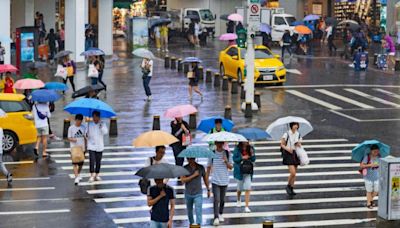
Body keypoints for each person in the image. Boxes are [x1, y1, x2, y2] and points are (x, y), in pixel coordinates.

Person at [206, 141, 233, 226]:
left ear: (223, 143)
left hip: (224, 180)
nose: (219, 144)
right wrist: (206, 181)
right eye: (217, 143)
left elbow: (231, 167)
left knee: (222, 200)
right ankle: (216, 217)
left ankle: (220, 213)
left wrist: (226, 161)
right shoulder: (212, 153)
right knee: (216, 199)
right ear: (215, 143)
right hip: (215, 180)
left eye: (221, 143)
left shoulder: (227, 153)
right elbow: (208, 167)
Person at [181, 157, 210, 226]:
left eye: (192, 159)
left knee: (198, 210)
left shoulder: (201, 167)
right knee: (189, 211)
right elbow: (183, 180)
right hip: (188, 193)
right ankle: (191, 224)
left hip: (198, 193)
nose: (191, 160)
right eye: (189, 159)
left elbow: (205, 179)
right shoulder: (184, 168)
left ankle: (198, 224)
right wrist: (194, 175)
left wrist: (208, 189)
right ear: (187, 159)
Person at [233, 141, 256, 213]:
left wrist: (251, 154)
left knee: (248, 188)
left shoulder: (251, 148)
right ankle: (238, 199)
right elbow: (234, 159)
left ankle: (247, 206)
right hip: (240, 171)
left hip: (248, 170)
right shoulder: (237, 149)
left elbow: (254, 159)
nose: (246, 142)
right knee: (239, 188)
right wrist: (242, 157)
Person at [280, 122, 302, 196]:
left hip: (295, 153)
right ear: (291, 126)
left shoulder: (298, 134)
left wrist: (299, 144)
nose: (296, 126)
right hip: (288, 154)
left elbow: (299, 143)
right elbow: (282, 144)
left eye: (297, 125)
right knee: (293, 172)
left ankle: (292, 188)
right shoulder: (286, 134)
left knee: (295, 173)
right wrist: (288, 149)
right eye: (295, 125)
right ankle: (288, 186)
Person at [87, 111, 108, 183]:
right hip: (91, 145)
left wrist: (101, 127)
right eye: (93, 117)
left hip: (99, 145)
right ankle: (92, 175)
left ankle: (97, 174)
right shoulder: (89, 124)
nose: (94, 118)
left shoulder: (102, 124)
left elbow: (105, 132)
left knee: (98, 161)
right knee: (92, 160)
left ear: (99, 117)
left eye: (96, 117)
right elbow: (86, 134)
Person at [67, 114, 86, 185]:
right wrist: (73, 139)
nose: (79, 122)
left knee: (81, 164)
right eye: (78, 120)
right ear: (75, 120)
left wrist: (86, 147)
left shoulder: (84, 127)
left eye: (80, 121)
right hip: (74, 148)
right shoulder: (71, 128)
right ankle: (76, 177)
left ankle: (78, 174)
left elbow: (85, 137)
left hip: (82, 148)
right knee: (75, 163)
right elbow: (68, 138)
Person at [360, 144, 380, 209]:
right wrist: (370, 165)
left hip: (377, 176)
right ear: (371, 151)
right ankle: (369, 203)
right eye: (374, 152)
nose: (376, 153)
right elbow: (362, 166)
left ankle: (370, 200)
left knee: (377, 190)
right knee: (369, 190)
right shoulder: (367, 157)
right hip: (368, 177)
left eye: (377, 151)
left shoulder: (379, 157)